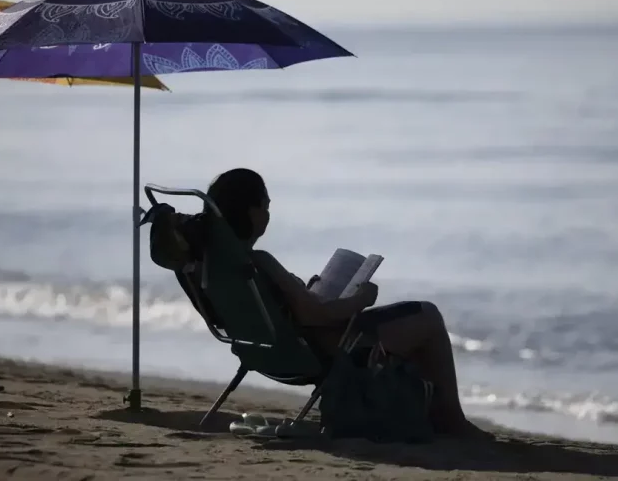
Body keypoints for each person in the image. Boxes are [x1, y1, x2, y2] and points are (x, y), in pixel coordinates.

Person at [205, 167, 487, 437]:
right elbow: (316, 315)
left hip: (265, 351)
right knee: (428, 316)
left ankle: (427, 410)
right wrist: (360, 299)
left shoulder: (215, 266)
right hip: (322, 347)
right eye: (265, 206)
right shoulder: (259, 262)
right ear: (252, 213)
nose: (268, 215)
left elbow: (298, 312)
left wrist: (303, 292)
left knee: (409, 321)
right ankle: (450, 418)